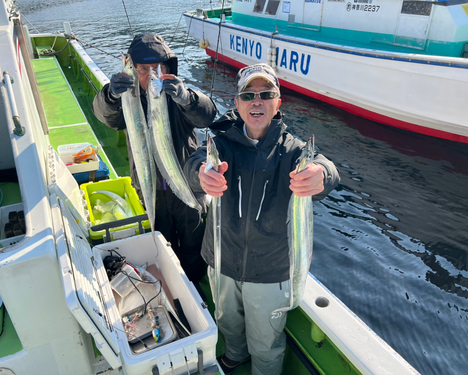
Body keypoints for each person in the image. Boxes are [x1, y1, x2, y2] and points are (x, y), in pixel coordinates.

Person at [183, 63, 340, 375]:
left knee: (266, 340)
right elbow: (195, 162)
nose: (257, 101)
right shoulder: (221, 143)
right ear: (238, 103)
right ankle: (236, 355)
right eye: (248, 94)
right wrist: (201, 173)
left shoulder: (293, 151)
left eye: (266, 94)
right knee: (227, 319)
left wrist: (321, 174)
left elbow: (324, 166)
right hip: (223, 260)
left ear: (277, 103)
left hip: (270, 271)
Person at [92, 33, 217, 286]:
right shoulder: (128, 102)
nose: (151, 74)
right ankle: (170, 287)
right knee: (161, 245)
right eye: (143, 69)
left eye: (158, 68)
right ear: (133, 72)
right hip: (151, 191)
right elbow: (105, 115)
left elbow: (207, 115)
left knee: (194, 246)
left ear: (168, 69)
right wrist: (110, 96)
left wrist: (188, 98)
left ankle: (195, 287)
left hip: (187, 186)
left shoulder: (179, 97)